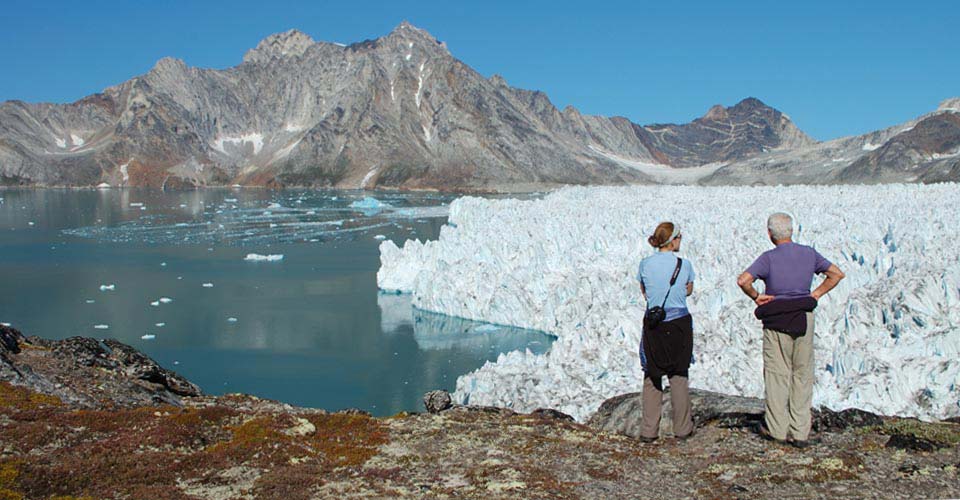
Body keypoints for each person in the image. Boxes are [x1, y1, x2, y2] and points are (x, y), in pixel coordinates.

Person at [737, 212, 845, 448]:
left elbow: (743, 280)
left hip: (776, 318)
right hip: (803, 317)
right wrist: (815, 294)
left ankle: (776, 429)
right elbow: (836, 274)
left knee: (777, 373)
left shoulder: (768, 258)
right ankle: (800, 431)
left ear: (769, 234)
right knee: (802, 373)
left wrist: (756, 296)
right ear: (792, 231)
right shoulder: (809, 253)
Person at [637, 221, 696, 442]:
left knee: (652, 374)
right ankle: (683, 429)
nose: (681, 240)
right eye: (679, 237)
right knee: (679, 374)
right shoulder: (685, 264)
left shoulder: (645, 264)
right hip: (679, 323)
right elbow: (688, 290)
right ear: (672, 241)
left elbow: (644, 291)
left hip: (654, 324)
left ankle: (649, 430)